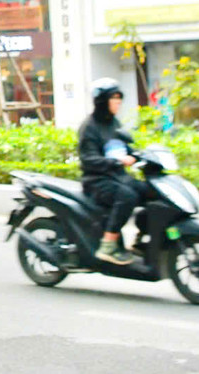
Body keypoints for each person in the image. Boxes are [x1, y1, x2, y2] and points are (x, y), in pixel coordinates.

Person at [78, 78, 150, 265]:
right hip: (97, 181)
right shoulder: (89, 127)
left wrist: (140, 154)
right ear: (102, 102)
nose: (118, 103)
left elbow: (126, 146)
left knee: (150, 191)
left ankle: (142, 239)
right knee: (127, 196)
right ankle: (108, 245)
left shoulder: (114, 123)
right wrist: (116, 161)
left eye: (119, 99)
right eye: (113, 99)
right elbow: (88, 159)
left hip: (117, 177)